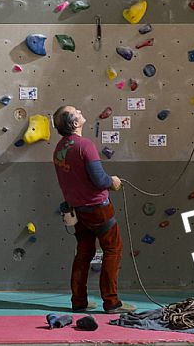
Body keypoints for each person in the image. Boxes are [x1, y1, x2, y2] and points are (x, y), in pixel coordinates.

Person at [52, 105, 133, 314]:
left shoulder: (59, 149)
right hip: (97, 208)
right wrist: (113, 181)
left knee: (84, 252)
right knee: (113, 249)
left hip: (76, 209)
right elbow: (99, 180)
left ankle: (79, 300)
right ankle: (111, 301)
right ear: (75, 123)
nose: (80, 111)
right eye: (76, 112)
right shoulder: (85, 146)